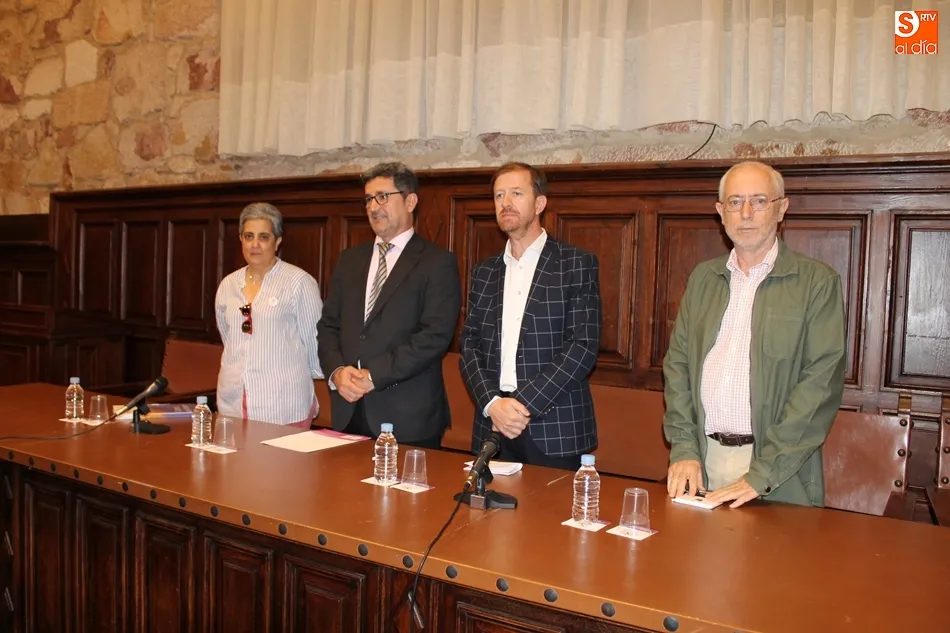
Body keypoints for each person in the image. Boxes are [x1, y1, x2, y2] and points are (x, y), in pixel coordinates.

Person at [663, 160, 846, 508]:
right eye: (734, 202)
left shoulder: (816, 284)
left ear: (781, 208)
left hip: (779, 472)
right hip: (702, 462)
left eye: (759, 201)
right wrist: (684, 448)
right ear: (720, 211)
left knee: (776, 564)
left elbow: (819, 387)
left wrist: (761, 473)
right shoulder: (704, 279)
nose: (745, 213)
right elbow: (678, 366)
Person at [459, 162, 602, 470]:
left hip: (554, 427)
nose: (505, 203)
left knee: (550, 517)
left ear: (539, 203)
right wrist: (493, 404)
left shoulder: (574, 263)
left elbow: (581, 347)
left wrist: (522, 407)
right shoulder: (484, 272)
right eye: (498, 196)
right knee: (485, 518)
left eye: (516, 193)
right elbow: (469, 346)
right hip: (494, 425)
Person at [317, 162, 461, 448]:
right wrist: (336, 372)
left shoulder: (436, 262)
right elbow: (328, 325)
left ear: (410, 201)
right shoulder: (350, 260)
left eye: (383, 196)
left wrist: (374, 376)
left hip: (407, 417)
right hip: (350, 410)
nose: (373, 207)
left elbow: (434, 337)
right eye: (368, 199)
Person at [215, 202, 324, 426]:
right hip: (233, 400)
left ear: (278, 241)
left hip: (283, 403)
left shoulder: (299, 283)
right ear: (240, 239)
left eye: (263, 237)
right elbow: (229, 338)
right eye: (248, 236)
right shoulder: (228, 284)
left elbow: (315, 344)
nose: (255, 244)